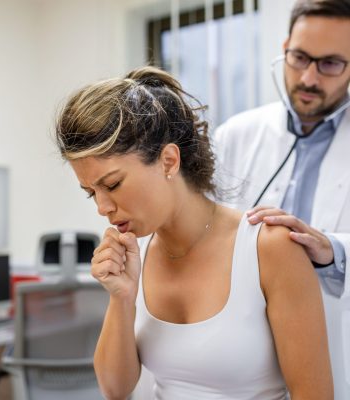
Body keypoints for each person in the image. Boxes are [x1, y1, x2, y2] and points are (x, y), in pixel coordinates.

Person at [54, 65, 332, 399]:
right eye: (91, 192)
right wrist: (121, 297)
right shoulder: (135, 257)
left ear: (169, 161)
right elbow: (114, 389)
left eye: (112, 184)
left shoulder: (269, 248)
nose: (102, 207)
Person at [213, 0, 350, 398]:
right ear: (285, 46)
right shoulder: (235, 135)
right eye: (300, 57)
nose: (308, 77)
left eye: (330, 64)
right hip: (243, 359)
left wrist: (334, 248)